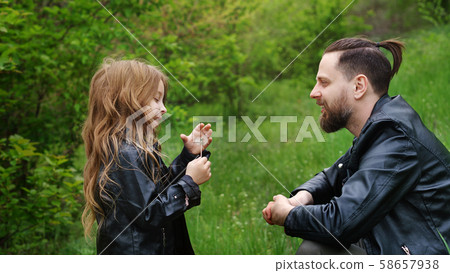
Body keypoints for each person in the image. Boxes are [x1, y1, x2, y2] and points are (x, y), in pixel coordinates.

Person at [262, 38, 450, 255]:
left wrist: (287, 215)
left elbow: (341, 223)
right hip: (400, 243)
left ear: (359, 87)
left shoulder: (395, 137)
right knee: (318, 248)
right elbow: (334, 175)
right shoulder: (379, 130)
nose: (313, 92)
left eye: (324, 82)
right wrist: (299, 199)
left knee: (316, 252)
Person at [82, 58, 213, 254]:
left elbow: (159, 193)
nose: (163, 108)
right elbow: (150, 214)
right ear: (127, 100)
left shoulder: (135, 149)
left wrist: (188, 156)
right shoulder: (126, 154)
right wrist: (189, 182)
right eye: (155, 99)